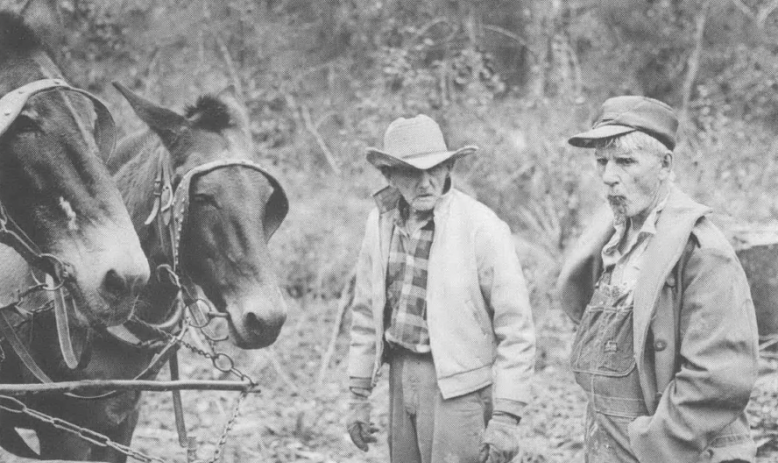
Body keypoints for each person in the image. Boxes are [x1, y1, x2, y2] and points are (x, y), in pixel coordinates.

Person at [558, 96, 759, 463]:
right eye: (601, 162)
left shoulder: (702, 253)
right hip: (606, 443)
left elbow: (718, 378)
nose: (608, 176)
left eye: (625, 161)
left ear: (665, 165)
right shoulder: (613, 238)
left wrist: (650, 444)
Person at [346, 114, 536, 463]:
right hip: (401, 375)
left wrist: (507, 416)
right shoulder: (380, 222)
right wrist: (358, 395)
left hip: (460, 387)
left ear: (449, 167)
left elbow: (516, 329)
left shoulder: (481, 227)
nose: (425, 183)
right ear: (389, 175)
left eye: (434, 169)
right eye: (410, 172)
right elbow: (364, 313)